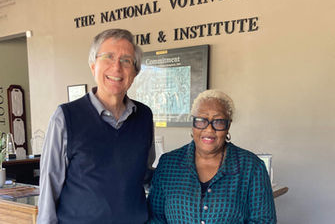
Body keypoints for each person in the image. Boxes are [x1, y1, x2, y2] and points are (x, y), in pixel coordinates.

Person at [37, 29, 155, 224]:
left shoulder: (144, 116)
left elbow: (143, 173)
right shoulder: (65, 117)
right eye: (108, 57)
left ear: (135, 72)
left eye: (126, 60)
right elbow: (50, 187)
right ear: (93, 66)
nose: (116, 67)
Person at [148, 89, 276, 223]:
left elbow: (264, 220)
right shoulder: (168, 164)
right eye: (201, 120)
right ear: (193, 123)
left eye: (218, 122)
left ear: (228, 125)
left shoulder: (251, 167)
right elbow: (155, 217)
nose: (209, 129)